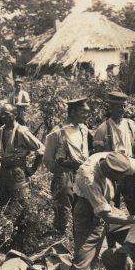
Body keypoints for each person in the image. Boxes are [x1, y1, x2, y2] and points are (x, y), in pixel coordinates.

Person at [52, 152, 135, 270]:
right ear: (107, 172)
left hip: (107, 206)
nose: (120, 181)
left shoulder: (116, 160)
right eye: (118, 178)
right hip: (88, 213)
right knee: (83, 264)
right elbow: (107, 217)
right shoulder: (89, 178)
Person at [42, 98, 92, 235]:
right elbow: (47, 159)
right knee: (62, 212)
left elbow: (85, 154)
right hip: (63, 176)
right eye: (83, 112)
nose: (86, 115)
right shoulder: (57, 132)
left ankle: (76, 241)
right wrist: (60, 174)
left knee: (80, 211)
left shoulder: (83, 129)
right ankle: (59, 242)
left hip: (80, 175)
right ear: (73, 112)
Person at [93, 91, 135, 214]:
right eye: (118, 106)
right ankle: (113, 231)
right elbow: (97, 155)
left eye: (123, 106)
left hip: (129, 172)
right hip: (112, 172)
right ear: (111, 107)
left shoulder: (131, 125)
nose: (121, 109)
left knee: (134, 205)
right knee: (111, 205)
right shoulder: (102, 129)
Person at [0, 103, 44, 205]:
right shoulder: (2, 129)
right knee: (5, 204)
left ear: (15, 115)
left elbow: (41, 149)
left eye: (6, 114)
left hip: (16, 172)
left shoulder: (21, 131)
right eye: (1, 114)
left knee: (20, 204)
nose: (3, 116)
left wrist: (32, 169)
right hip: (3, 171)